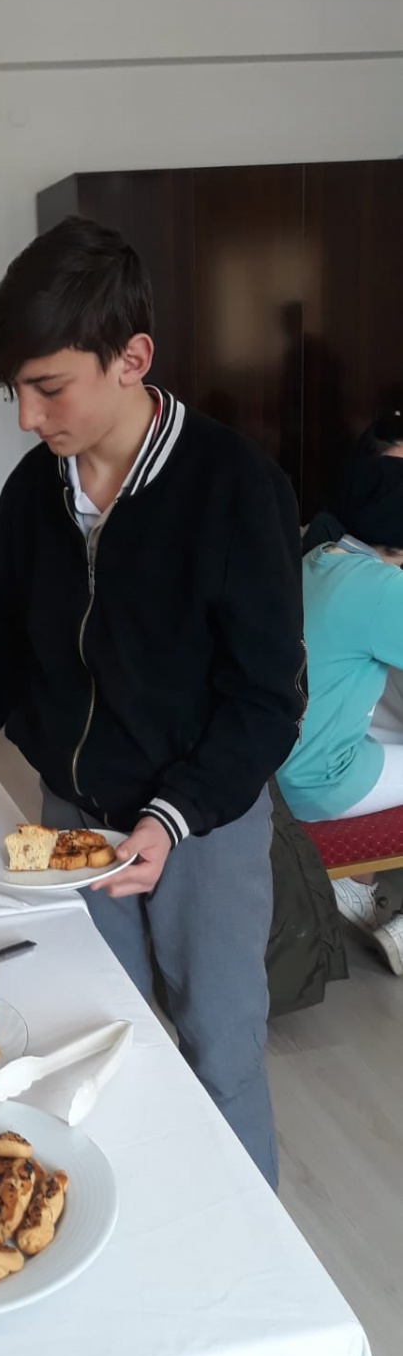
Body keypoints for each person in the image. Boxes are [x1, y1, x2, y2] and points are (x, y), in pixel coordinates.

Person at [0, 217, 306, 1191]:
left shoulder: (237, 489)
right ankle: (132, 1215)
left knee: (219, 1047)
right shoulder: (32, 494)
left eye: (48, 387)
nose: (27, 417)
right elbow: (11, 648)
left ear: (131, 359)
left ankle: (239, 1248)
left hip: (202, 825)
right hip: (70, 822)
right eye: (14, 392)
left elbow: (267, 700)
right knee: (96, 1032)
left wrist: (172, 815)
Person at [278, 411, 403, 973]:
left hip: (282, 761)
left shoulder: (320, 558)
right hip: (321, 780)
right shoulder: (381, 587)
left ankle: (355, 886)